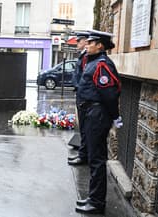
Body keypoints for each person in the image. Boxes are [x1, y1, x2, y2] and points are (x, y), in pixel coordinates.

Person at [74, 30, 122, 214]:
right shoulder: (95, 63)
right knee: (95, 158)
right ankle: (93, 197)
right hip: (92, 113)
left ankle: (96, 202)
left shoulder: (102, 65)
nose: (87, 44)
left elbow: (109, 95)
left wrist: (115, 116)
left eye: (90, 42)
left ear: (100, 45)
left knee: (96, 160)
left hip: (98, 115)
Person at [68, 31, 89, 166]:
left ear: (85, 41)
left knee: (85, 128)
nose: (77, 43)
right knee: (83, 127)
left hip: (83, 95)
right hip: (81, 94)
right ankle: (83, 154)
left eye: (79, 41)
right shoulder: (83, 55)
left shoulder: (86, 56)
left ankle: (83, 156)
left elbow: (85, 77)